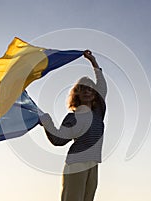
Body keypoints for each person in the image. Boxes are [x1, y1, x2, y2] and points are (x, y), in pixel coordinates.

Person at [39, 49, 107, 201]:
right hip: (76, 163)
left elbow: (102, 85)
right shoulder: (73, 117)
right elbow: (58, 140)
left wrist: (93, 61)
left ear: (95, 93)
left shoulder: (98, 112)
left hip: (93, 163)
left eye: (90, 88)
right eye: (82, 89)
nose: (87, 91)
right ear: (76, 94)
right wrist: (46, 122)